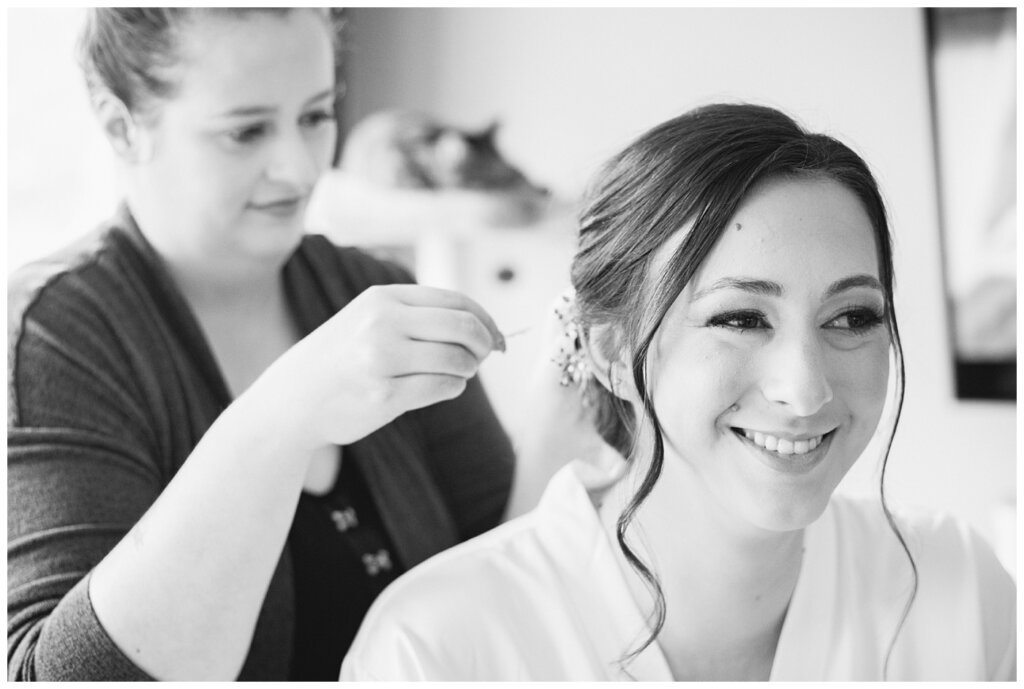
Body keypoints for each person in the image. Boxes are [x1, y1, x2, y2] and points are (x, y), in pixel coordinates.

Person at [340, 103, 1017, 681]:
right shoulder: (434, 649)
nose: (805, 388)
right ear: (608, 348)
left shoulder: (956, 590)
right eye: (741, 319)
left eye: (852, 317)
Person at [7, 8, 574, 681]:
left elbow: (497, 578)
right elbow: (63, 676)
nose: (301, 167)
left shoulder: (373, 286)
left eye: (316, 115)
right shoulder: (57, 332)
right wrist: (285, 412)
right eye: (246, 131)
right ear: (121, 126)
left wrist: (562, 409)